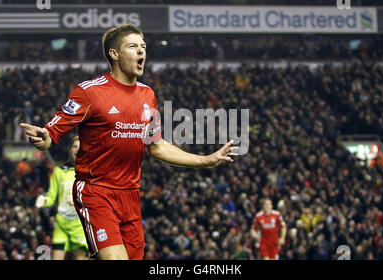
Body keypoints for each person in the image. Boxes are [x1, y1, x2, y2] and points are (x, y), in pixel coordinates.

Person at [20, 24, 238, 260]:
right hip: (96, 192)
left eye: (143, 47)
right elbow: (52, 132)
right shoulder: (89, 92)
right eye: (133, 46)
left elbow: (156, 146)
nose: (141, 52)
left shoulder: (148, 95)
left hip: (130, 196)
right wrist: (44, 138)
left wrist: (206, 161)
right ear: (114, 54)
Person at [35, 135, 88, 260]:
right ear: (70, 150)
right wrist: (44, 200)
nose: (77, 150)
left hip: (80, 225)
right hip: (61, 224)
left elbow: (96, 199)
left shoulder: (90, 172)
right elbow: (51, 197)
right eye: (74, 146)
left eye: (81, 147)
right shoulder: (59, 171)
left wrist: (79, 200)